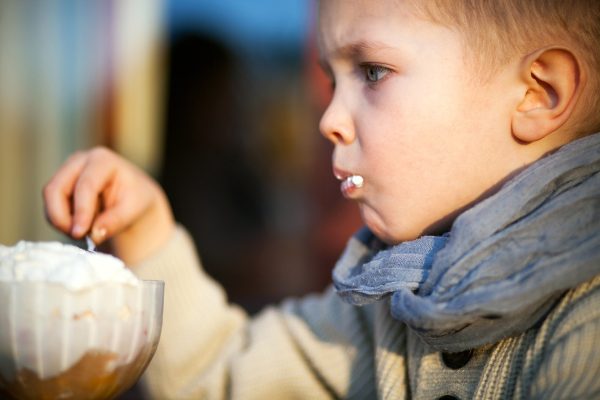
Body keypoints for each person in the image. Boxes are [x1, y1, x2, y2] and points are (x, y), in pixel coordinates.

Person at [43, 0, 600, 398]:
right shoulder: (380, 310)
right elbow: (219, 376)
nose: (329, 119)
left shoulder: (585, 317)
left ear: (536, 93)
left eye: (373, 72)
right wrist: (146, 231)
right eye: (333, 83)